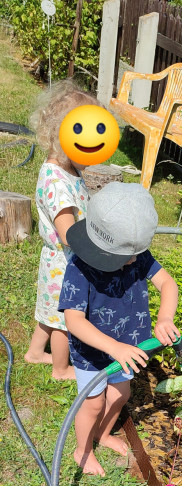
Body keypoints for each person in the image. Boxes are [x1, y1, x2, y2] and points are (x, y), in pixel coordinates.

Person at [58, 182, 179, 476]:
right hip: (94, 353)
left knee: (120, 396)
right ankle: (82, 450)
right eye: (127, 255)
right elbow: (73, 321)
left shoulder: (137, 256)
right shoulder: (79, 267)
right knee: (93, 403)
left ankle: (102, 433)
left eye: (138, 252)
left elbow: (167, 283)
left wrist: (164, 318)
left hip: (129, 347)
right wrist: (113, 348)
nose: (135, 260)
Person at [25, 79, 102, 379]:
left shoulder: (68, 169)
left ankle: (34, 352)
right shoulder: (56, 182)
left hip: (61, 260)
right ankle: (61, 368)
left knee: (48, 309)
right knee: (61, 318)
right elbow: (68, 232)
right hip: (64, 261)